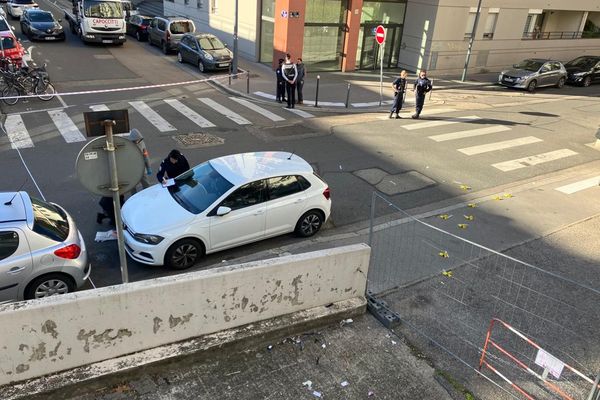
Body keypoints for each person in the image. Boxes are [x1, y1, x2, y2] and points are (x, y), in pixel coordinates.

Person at [128, 128, 152, 194]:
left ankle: (148, 194)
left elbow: (146, 156)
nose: (137, 141)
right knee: (132, 186)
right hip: (131, 169)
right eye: (136, 140)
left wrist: (148, 167)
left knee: (146, 183)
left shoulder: (142, 143)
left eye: (138, 139)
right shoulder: (128, 145)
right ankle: (134, 197)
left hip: (142, 168)